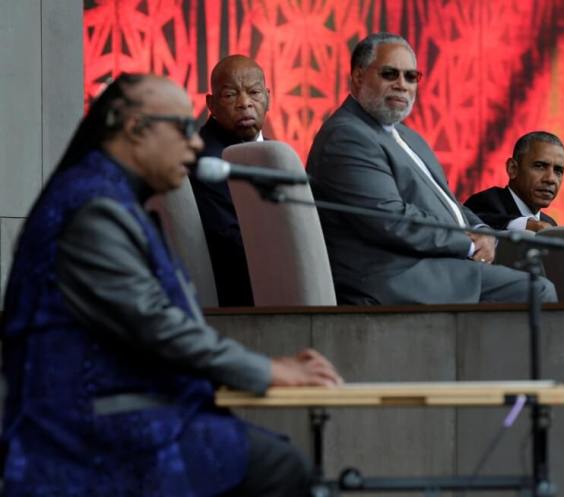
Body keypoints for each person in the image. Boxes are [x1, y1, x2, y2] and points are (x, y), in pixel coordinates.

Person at [0, 73, 342, 496]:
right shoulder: (92, 209)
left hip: (121, 411)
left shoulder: (107, 196)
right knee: (278, 466)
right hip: (88, 429)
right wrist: (268, 370)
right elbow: (157, 327)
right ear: (134, 128)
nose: (196, 143)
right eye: (182, 128)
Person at [306, 32, 556, 305]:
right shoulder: (347, 136)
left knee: (540, 272)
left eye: (411, 77)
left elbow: (450, 206)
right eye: (390, 74)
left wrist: (483, 230)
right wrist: (468, 242)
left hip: (436, 264)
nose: (402, 85)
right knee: (537, 291)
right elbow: (391, 220)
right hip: (393, 278)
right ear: (358, 77)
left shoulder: (406, 135)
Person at [188, 54, 271, 306]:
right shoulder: (206, 160)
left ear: (268, 97)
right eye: (230, 95)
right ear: (211, 104)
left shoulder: (272, 153)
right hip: (239, 300)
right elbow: (231, 245)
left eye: (254, 92)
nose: (244, 103)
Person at [464, 131, 564, 231]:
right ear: (513, 168)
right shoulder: (485, 203)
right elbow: (477, 220)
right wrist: (526, 225)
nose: (550, 179)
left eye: (558, 171)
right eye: (539, 166)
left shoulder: (550, 224)